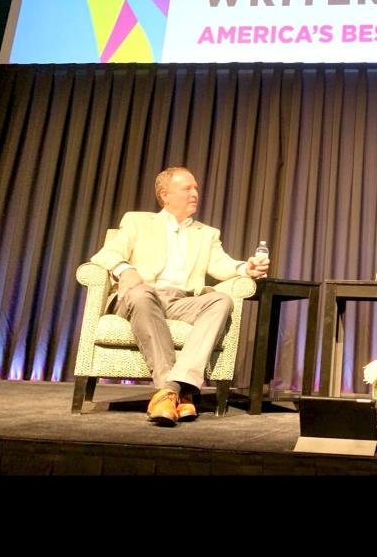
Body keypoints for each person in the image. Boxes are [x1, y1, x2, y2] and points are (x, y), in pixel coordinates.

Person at [90, 166, 270, 427]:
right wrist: (126, 270)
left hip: (180, 301)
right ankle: (180, 394)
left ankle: (171, 389)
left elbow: (220, 264)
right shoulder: (137, 221)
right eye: (187, 188)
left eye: (196, 188)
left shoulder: (206, 233)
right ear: (165, 195)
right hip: (142, 295)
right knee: (141, 294)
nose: (195, 193)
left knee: (222, 300)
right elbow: (105, 254)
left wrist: (245, 268)